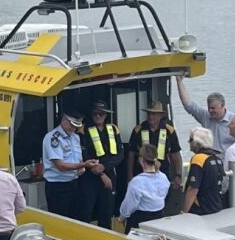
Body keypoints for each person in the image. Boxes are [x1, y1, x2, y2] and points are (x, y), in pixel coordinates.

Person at [42, 110, 98, 220]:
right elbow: (60, 166)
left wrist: (81, 167)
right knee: (60, 222)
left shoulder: (75, 137)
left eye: (76, 126)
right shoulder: (53, 138)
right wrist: (84, 164)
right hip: (58, 186)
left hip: (74, 183)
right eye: (72, 125)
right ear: (64, 120)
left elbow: (78, 157)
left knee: (74, 219)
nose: (73, 129)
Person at [80, 100, 125, 228]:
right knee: (86, 212)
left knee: (107, 213)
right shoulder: (84, 130)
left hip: (110, 174)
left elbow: (120, 154)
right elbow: (85, 155)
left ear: (106, 115)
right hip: (90, 177)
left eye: (101, 114)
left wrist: (105, 167)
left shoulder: (113, 129)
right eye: (95, 113)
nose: (98, 116)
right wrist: (101, 173)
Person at [126, 101, 183, 198]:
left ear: (160, 115)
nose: (150, 117)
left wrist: (178, 175)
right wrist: (129, 176)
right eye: (149, 113)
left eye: (154, 114)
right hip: (142, 174)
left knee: (163, 199)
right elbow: (130, 155)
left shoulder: (169, 131)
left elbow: (175, 154)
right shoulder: (138, 130)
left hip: (162, 173)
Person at [175, 76, 233, 155]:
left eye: (213, 108)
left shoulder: (233, 120)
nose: (210, 111)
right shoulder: (206, 115)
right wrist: (179, 82)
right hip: (208, 161)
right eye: (209, 108)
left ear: (222, 106)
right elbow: (188, 105)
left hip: (226, 163)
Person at [119, 143, 170, 233]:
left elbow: (129, 205)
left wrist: (122, 217)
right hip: (159, 218)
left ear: (141, 159)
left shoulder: (136, 182)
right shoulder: (164, 178)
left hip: (139, 220)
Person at [181, 127, 227, 215]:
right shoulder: (217, 159)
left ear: (198, 143)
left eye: (191, 140)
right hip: (216, 206)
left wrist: (184, 212)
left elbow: (193, 189)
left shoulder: (198, 159)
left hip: (201, 209)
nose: (188, 142)